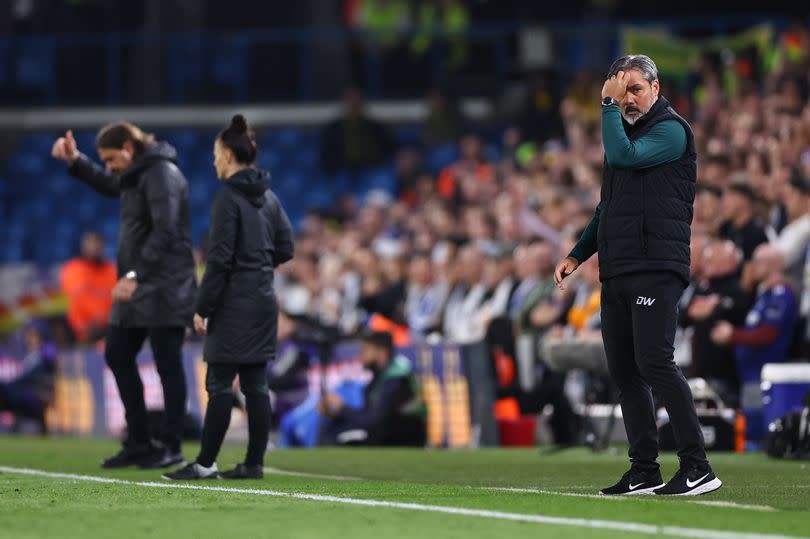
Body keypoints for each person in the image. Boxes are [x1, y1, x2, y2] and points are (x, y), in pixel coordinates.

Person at [554, 55, 722, 496]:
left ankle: (697, 465)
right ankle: (644, 468)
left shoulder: (671, 130)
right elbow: (608, 208)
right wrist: (578, 254)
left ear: (655, 87)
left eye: (634, 89)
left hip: (655, 265)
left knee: (655, 362)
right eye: (620, 91)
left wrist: (606, 107)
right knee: (626, 371)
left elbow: (623, 158)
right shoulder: (623, 136)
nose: (627, 100)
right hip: (619, 267)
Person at [51, 123, 197, 469]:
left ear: (129, 147)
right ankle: (139, 442)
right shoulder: (136, 173)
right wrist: (77, 161)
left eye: (111, 158)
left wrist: (134, 274)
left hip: (165, 286)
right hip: (136, 287)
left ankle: (171, 445)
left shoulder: (163, 174)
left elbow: (166, 232)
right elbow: (109, 184)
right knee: (117, 353)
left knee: (168, 364)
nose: (110, 166)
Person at [164, 115, 294, 481]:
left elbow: (218, 259)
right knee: (256, 384)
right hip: (264, 300)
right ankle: (254, 464)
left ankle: (205, 463)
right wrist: (257, 267)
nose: (214, 160)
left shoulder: (228, 198)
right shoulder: (269, 198)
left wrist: (203, 307)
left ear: (229, 156)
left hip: (234, 303)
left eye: (216, 153)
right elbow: (286, 247)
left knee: (220, 383)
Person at [710, 244, 798, 442]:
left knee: (757, 434)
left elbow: (768, 334)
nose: (753, 265)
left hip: (763, 376)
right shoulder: (764, 295)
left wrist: (732, 335)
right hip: (750, 375)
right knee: (750, 430)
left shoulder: (780, 295)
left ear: (773, 264)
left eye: (758, 261)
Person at [318, 329, 426, 446]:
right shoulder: (379, 377)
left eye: (364, 350)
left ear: (381, 351)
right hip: (384, 432)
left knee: (338, 438)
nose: (360, 356)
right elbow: (367, 414)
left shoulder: (396, 377)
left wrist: (341, 407)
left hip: (402, 437)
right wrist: (336, 412)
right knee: (332, 426)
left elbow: (373, 419)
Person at [59, 231, 118, 343]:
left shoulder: (112, 270)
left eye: (97, 244)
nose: (93, 248)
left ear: (103, 247)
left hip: (109, 328)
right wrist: (83, 326)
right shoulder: (72, 270)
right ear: (83, 247)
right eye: (90, 244)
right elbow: (70, 302)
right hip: (78, 331)